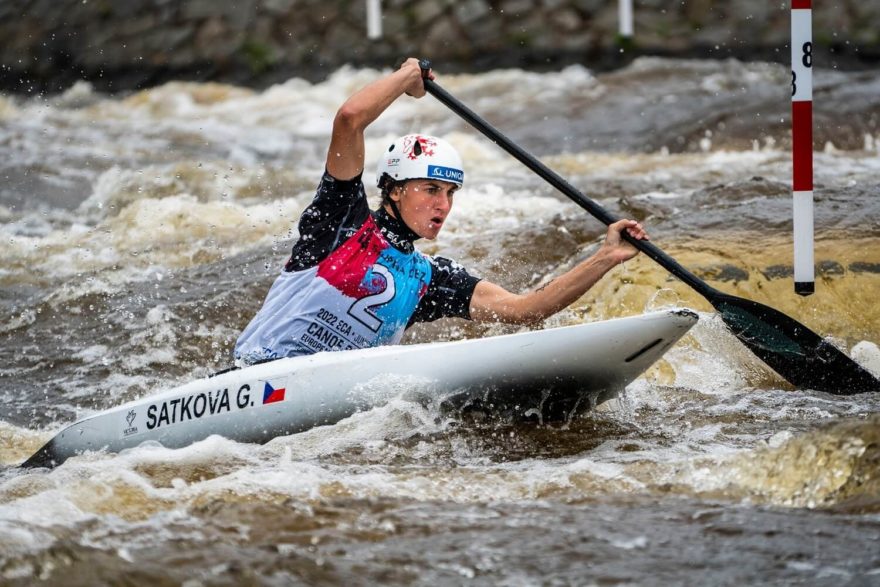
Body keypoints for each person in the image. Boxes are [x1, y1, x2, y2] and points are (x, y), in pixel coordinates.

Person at [233, 58, 648, 366]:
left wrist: (606, 256)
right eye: (431, 189)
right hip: (256, 376)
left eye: (450, 193)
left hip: (329, 399)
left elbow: (524, 310)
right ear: (395, 190)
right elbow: (349, 119)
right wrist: (406, 77)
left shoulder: (429, 279)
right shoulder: (341, 219)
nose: (443, 205)